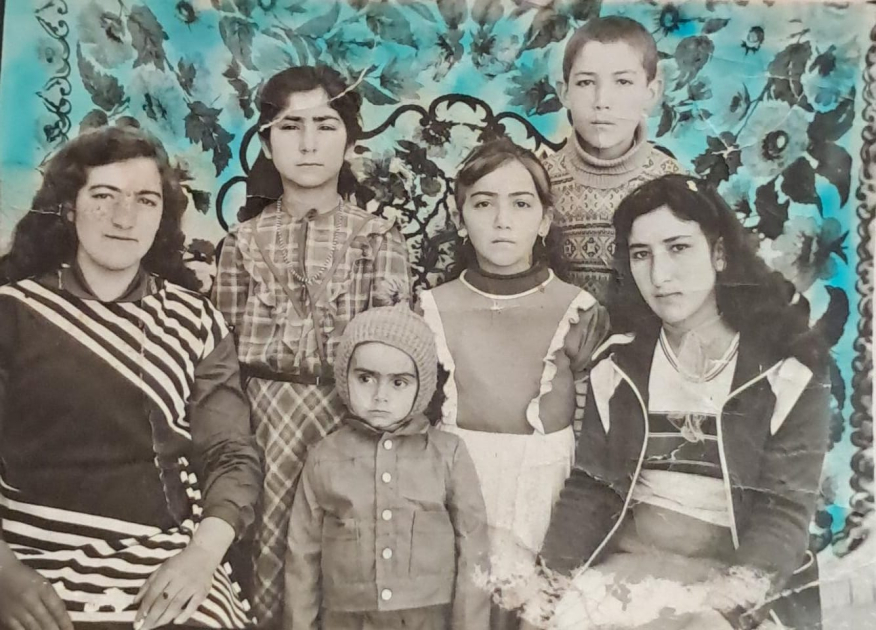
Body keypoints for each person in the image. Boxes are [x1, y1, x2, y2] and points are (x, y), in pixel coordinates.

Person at [537, 175, 830, 630]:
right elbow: (590, 490)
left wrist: (723, 613)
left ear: (719, 253)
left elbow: (783, 515)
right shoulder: (617, 364)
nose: (659, 276)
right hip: (629, 572)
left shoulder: (787, 373)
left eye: (678, 248)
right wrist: (546, 591)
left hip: (737, 584)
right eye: (641, 254)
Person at [0, 124, 261, 630]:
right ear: (69, 207)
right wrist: (4, 573)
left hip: (164, 555)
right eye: (103, 196)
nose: (124, 218)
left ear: (162, 216)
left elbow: (230, 454)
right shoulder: (13, 312)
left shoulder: (195, 319)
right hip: (29, 556)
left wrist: (202, 556)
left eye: (145, 200)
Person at [211, 64, 412, 628]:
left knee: (341, 560)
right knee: (266, 559)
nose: (307, 143)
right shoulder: (242, 242)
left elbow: (394, 354)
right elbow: (220, 363)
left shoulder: (378, 238)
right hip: (262, 428)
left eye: (324, 125)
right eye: (289, 126)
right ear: (266, 142)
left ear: (348, 141)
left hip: (347, 422)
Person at [419, 139, 610, 630]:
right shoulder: (431, 308)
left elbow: (594, 428)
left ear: (545, 221)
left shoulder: (579, 310)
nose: (502, 220)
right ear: (461, 219)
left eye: (521, 204)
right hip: (460, 489)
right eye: (484, 204)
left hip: (545, 491)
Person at [284, 305, 490, 630]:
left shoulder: (448, 454)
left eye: (399, 383)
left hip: (428, 620)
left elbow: (474, 549)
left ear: (422, 387)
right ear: (345, 377)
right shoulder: (324, 456)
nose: (380, 396)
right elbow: (302, 557)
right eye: (366, 378)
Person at [545, 15, 684, 303]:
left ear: (651, 92)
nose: (602, 101)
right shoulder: (539, 183)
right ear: (564, 93)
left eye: (622, 81)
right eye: (586, 82)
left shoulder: (674, 184)